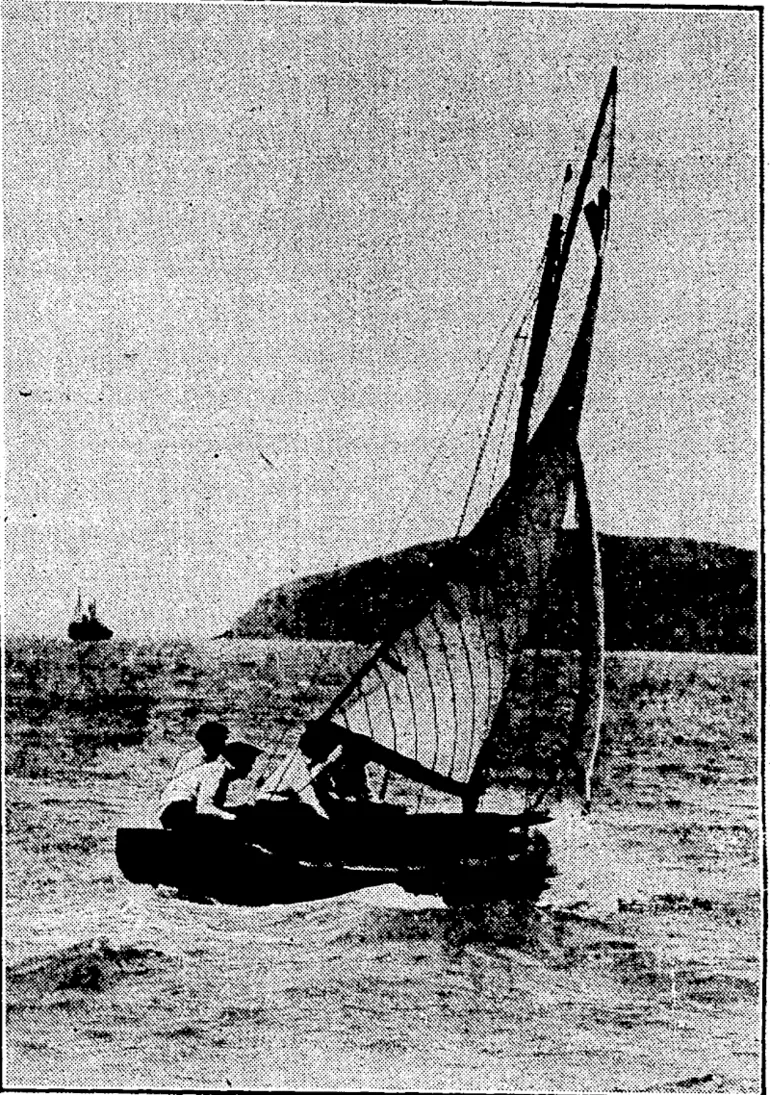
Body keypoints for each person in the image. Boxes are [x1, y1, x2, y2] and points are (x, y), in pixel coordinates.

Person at [159, 740, 261, 830]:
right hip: (175, 813)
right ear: (237, 762)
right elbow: (204, 807)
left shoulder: (220, 774)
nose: (251, 769)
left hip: (176, 812)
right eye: (249, 763)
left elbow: (210, 806)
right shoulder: (217, 771)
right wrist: (233, 817)